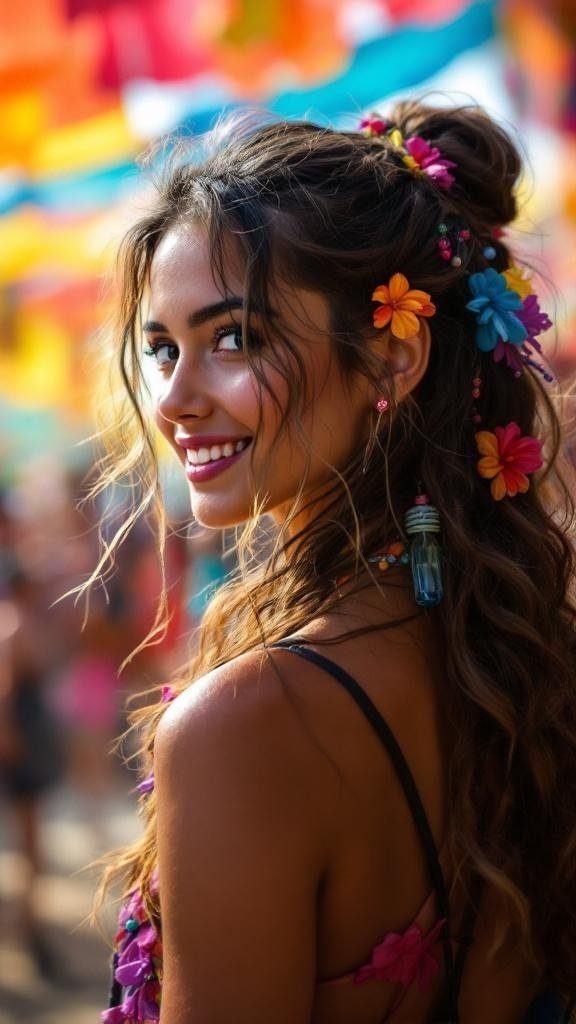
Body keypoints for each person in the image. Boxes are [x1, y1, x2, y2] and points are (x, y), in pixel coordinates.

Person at [91, 101, 576, 1023]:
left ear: (393, 354)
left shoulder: (243, 727)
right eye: (163, 348)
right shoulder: (526, 663)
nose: (175, 401)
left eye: (234, 337)